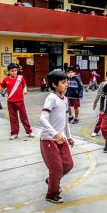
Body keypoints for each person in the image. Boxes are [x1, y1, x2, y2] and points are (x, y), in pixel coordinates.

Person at [40, 70, 75, 204]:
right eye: (63, 82)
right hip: (49, 139)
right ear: (54, 84)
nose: (66, 85)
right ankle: (52, 194)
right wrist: (54, 134)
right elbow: (43, 118)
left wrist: (69, 136)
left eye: (67, 82)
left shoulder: (65, 99)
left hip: (61, 138)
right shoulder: (51, 98)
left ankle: (52, 179)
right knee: (56, 168)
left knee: (68, 164)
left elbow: (65, 120)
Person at [0, 63, 33, 140]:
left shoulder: (21, 78)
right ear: (8, 71)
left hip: (20, 101)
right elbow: (1, 90)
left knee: (24, 117)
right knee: (13, 118)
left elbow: (24, 85)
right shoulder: (6, 79)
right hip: (10, 102)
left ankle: (29, 131)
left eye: (15, 70)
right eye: (12, 71)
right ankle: (14, 133)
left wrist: (25, 89)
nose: (14, 72)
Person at [92, 70, 107, 137]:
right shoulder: (103, 84)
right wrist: (95, 103)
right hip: (104, 106)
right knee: (100, 119)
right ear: (106, 77)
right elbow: (98, 94)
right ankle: (96, 131)